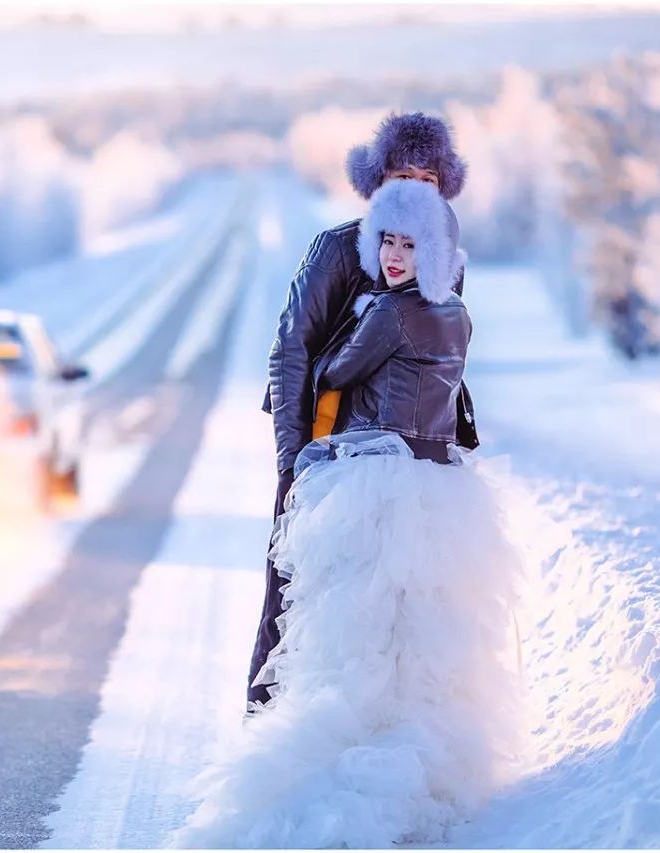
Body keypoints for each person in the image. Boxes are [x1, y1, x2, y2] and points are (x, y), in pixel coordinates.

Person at [172, 178, 524, 849]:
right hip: (441, 486)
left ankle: (339, 779)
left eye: (408, 242)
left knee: (349, 638)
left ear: (435, 247)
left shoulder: (390, 313)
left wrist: (354, 331)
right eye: (386, 239)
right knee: (417, 643)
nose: (393, 255)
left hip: (377, 481)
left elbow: (332, 365)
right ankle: (419, 771)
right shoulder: (458, 313)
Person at [250, 112, 479, 711]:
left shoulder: (444, 257)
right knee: (296, 610)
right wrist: (292, 456)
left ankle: (390, 747)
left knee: (402, 620)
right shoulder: (337, 249)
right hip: (327, 456)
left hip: (403, 468)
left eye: (427, 178)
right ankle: (273, 743)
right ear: (378, 181)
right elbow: (292, 350)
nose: (414, 189)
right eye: (402, 174)